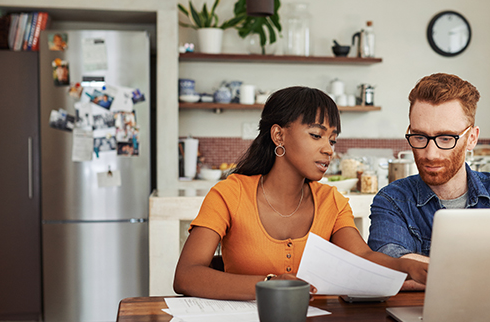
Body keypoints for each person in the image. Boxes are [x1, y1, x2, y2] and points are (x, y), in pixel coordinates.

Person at [173, 86, 428, 301]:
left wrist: (405, 265)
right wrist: (269, 284)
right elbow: (186, 275)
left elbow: (362, 257)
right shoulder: (230, 194)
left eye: (332, 140)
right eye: (316, 135)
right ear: (278, 135)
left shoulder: (333, 202)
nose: (329, 149)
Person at [368, 73, 490, 274]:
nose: (431, 154)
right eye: (420, 136)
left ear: (472, 138)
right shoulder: (393, 200)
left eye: (446, 139)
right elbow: (390, 263)